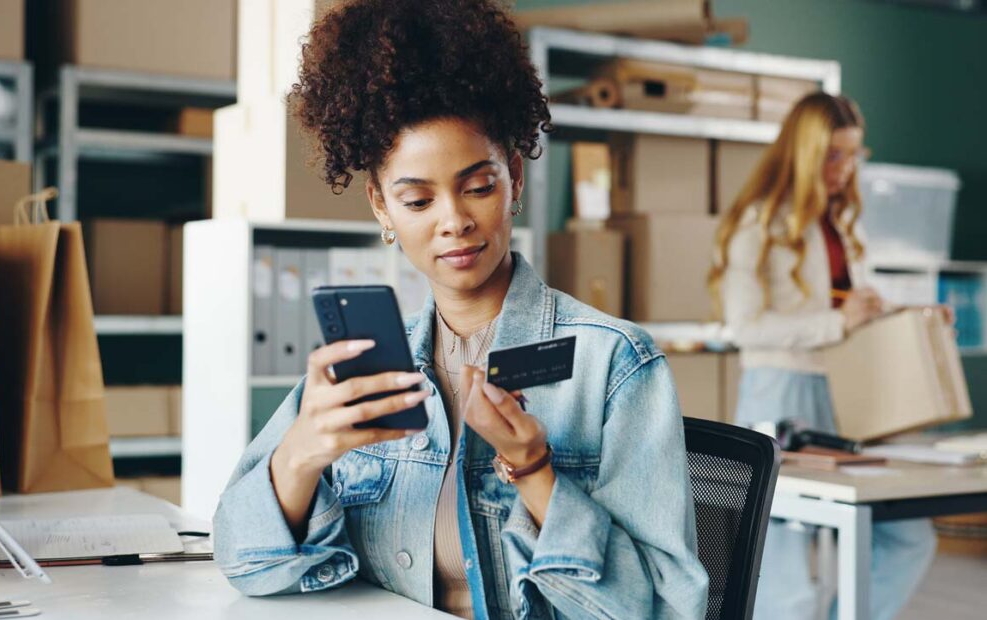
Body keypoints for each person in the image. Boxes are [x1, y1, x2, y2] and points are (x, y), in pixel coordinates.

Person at [213, 1, 708, 618]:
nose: (455, 222)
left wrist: (533, 469)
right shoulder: (369, 367)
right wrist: (303, 452)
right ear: (381, 209)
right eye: (417, 201)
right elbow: (242, 559)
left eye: (479, 186)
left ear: (516, 180)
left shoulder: (614, 364)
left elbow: (664, 607)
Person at [709, 93, 936, 620]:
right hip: (782, 393)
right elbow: (746, 327)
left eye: (853, 155)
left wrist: (915, 314)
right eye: (833, 155)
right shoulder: (756, 224)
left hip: (845, 393)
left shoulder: (843, 222)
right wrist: (839, 321)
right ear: (804, 153)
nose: (845, 169)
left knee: (907, 536)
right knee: (784, 568)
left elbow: (854, 306)